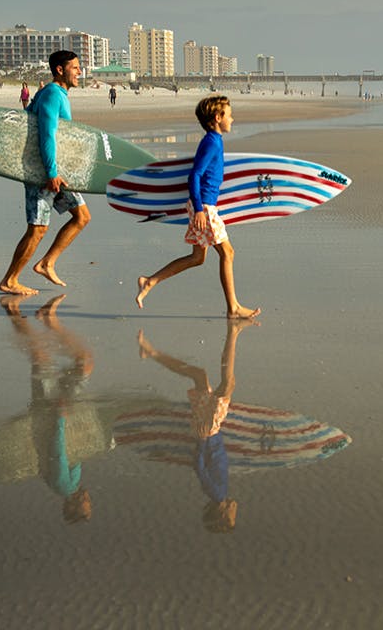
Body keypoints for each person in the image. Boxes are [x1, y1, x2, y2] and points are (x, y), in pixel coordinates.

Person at [135, 95, 260, 319]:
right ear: (217, 117)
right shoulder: (212, 142)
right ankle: (233, 307)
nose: (232, 119)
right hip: (205, 207)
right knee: (228, 253)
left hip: (203, 205)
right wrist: (200, 209)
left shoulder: (214, 140)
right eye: (229, 115)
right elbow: (195, 175)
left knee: (197, 258)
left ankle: (149, 281)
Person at [136, 319, 257, 532]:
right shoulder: (219, 492)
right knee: (200, 376)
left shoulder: (217, 493)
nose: (235, 513)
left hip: (209, 430)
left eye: (232, 518)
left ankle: (234, 332)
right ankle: (151, 353)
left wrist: (201, 442)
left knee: (227, 383)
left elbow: (199, 468)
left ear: (222, 514)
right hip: (210, 430)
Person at [0, 51, 91, 295]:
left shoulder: (56, 94)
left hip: (57, 173)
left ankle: (46, 263)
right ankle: (10, 280)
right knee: (37, 228)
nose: (80, 72)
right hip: (44, 174)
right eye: (75, 67)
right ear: (60, 70)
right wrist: (51, 172)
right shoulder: (51, 93)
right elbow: (47, 134)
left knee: (82, 217)